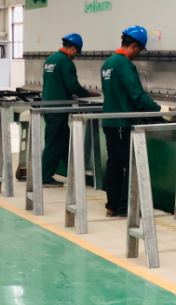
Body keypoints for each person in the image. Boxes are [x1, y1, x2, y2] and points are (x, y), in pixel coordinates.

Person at [100, 25, 165, 217]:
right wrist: (159, 110)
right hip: (122, 123)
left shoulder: (108, 63)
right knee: (132, 164)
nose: (138, 54)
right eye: (140, 50)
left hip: (109, 122)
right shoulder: (124, 64)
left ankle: (112, 207)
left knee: (114, 164)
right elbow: (137, 93)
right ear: (134, 46)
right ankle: (126, 208)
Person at [41, 33, 97, 188]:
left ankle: (75, 174)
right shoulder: (65, 62)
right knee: (54, 143)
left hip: (48, 106)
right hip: (58, 109)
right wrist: (88, 94)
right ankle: (44, 177)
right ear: (73, 48)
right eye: (77, 52)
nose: (76, 55)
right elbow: (72, 86)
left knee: (64, 142)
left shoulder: (50, 60)